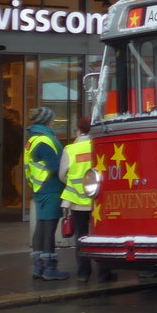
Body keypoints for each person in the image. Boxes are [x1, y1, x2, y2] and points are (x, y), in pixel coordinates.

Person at [60, 118, 115, 283]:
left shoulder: (70, 149)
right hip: (98, 201)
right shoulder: (101, 146)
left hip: (77, 202)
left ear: (79, 130)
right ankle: (104, 273)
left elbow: (62, 174)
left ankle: (83, 273)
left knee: (81, 237)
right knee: (101, 237)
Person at [23, 106, 68, 281]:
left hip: (38, 187)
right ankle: (50, 268)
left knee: (41, 226)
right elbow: (57, 166)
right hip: (52, 188)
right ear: (47, 121)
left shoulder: (32, 139)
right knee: (49, 227)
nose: (54, 122)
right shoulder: (47, 140)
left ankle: (38, 267)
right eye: (52, 119)